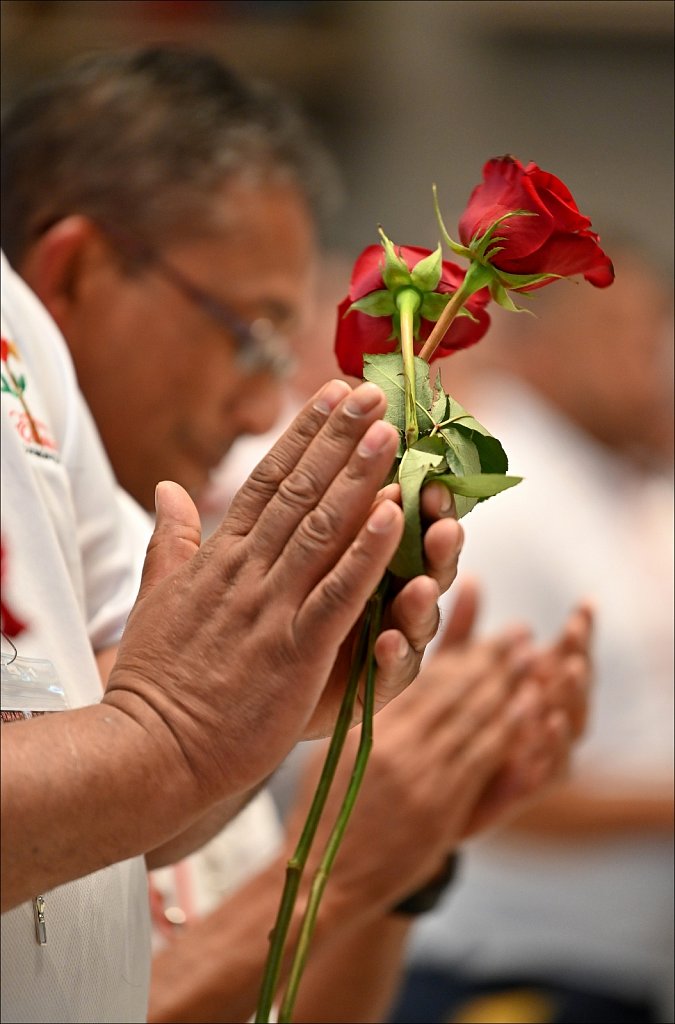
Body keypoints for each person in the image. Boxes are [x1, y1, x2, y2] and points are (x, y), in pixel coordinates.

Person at [1, 47, 592, 1023]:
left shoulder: (24, 343)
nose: (257, 402)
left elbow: (120, 780)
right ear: (77, 271)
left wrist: (274, 717)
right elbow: (138, 743)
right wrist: (318, 857)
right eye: (251, 332)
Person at [390, 244, 675, 1024]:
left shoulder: (623, 490)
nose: (647, 355)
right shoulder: (509, 500)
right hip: (507, 968)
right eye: (617, 330)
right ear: (539, 342)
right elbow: (477, 777)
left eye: (654, 329)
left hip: (615, 965)